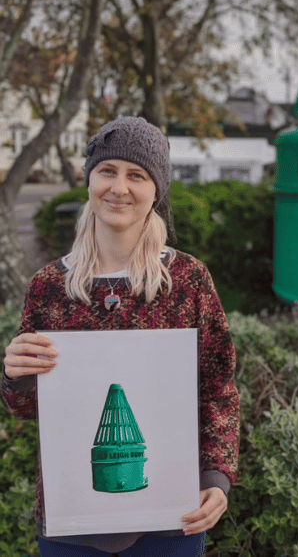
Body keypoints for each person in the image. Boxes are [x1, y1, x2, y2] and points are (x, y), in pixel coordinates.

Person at [1, 116, 238, 556]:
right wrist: (16, 376)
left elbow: (217, 389)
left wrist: (216, 477)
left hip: (171, 519)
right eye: (107, 171)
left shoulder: (187, 281)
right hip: (72, 521)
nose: (119, 188)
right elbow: (31, 410)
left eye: (137, 175)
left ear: (156, 190)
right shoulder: (49, 286)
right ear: (89, 180)